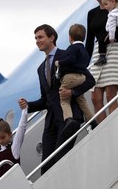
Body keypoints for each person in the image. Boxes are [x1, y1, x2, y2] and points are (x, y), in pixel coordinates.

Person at [18, 24, 95, 175]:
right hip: (51, 122)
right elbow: (46, 100)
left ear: (52, 37)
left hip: (69, 119)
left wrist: (72, 92)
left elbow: (89, 80)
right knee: (46, 168)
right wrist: (28, 106)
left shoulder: (67, 56)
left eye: (40, 37)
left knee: (60, 162)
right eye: (36, 38)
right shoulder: (40, 68)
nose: (37, 41)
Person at [54, 24, 95, 130]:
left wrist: (59, 63)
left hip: (70, 78)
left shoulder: (72, 48)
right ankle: (92, 120)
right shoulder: (84, 51)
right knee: (81, 99)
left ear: (70, 37)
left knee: (64, 99)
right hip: (82, 77)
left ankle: (69, 119)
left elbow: (70, 59)